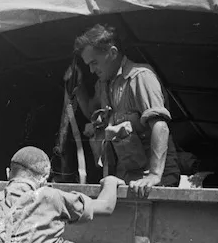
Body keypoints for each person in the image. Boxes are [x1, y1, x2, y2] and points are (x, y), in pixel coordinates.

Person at [68, 23, 181, 198]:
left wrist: (154, 175)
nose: (91, 69)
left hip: (152, 179)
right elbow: (91, 110)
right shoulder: (103, 84)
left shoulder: (141, 77)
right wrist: (79, 89)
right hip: (127, 177)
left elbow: (160, 126)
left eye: (94, 62)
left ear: (113, 53)